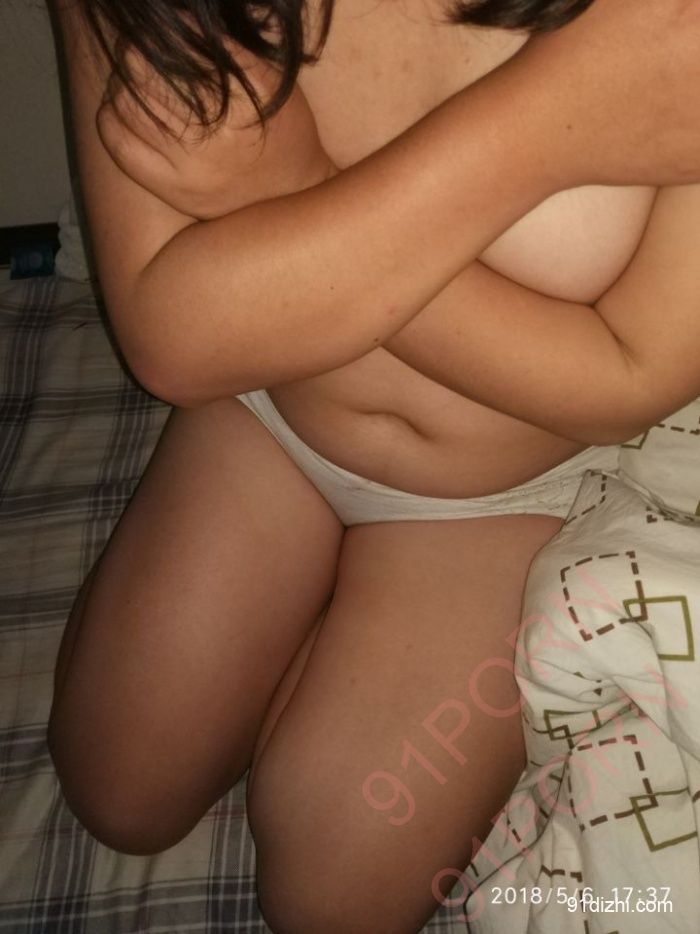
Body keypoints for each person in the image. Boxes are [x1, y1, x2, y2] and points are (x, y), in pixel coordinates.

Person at [47, 0, 700, 931]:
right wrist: (552, 125)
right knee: (118, 793)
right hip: (266, 406)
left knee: (334, 905)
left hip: (505, 493)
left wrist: (298, 191)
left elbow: (628, 372)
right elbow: (171, 336)